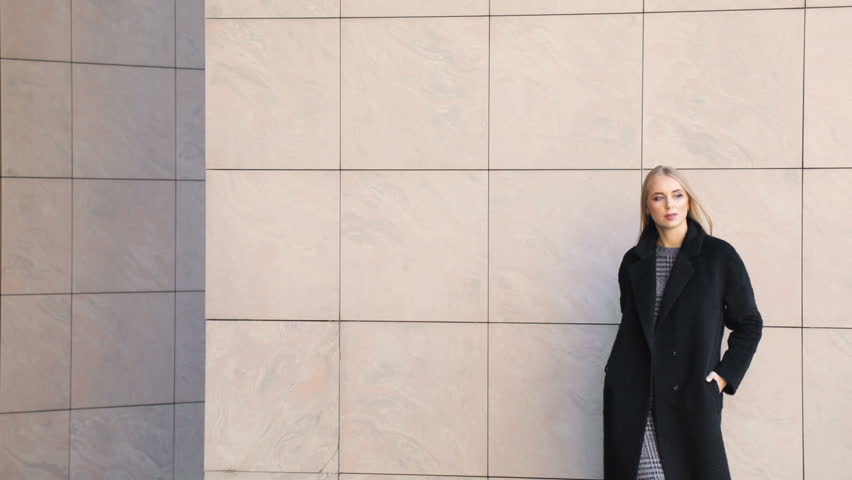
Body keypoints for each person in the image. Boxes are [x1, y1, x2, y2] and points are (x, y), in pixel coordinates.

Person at [603, 165, 763, 480]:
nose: (669, 205)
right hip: (635, 395)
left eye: (677, 195)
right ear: (647, 207)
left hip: (688, 395)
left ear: (688, 200)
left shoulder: (718, 257)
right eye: (658, 198)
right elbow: (633, 326)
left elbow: (749, 323)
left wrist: (723, 377)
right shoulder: (633, 261)